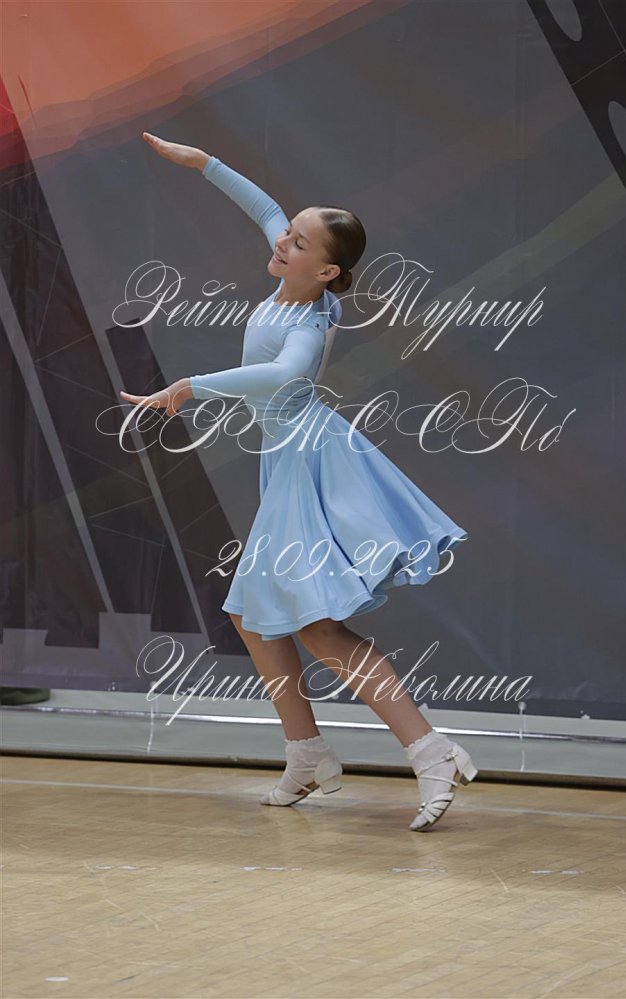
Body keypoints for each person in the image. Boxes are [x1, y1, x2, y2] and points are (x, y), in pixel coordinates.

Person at [120, 132, 478, 831]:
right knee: (251, 615)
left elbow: (284, 375)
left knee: (315, 625)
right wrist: (203, 163)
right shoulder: (295, 278)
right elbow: (264, 208)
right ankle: (307, 751)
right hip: (288, 460)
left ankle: (430, 751)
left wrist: (194, 384)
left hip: (313, 461)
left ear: (326, 270)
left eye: (298, 241)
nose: (283, 240)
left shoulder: (310, 321)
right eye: (288, 234)